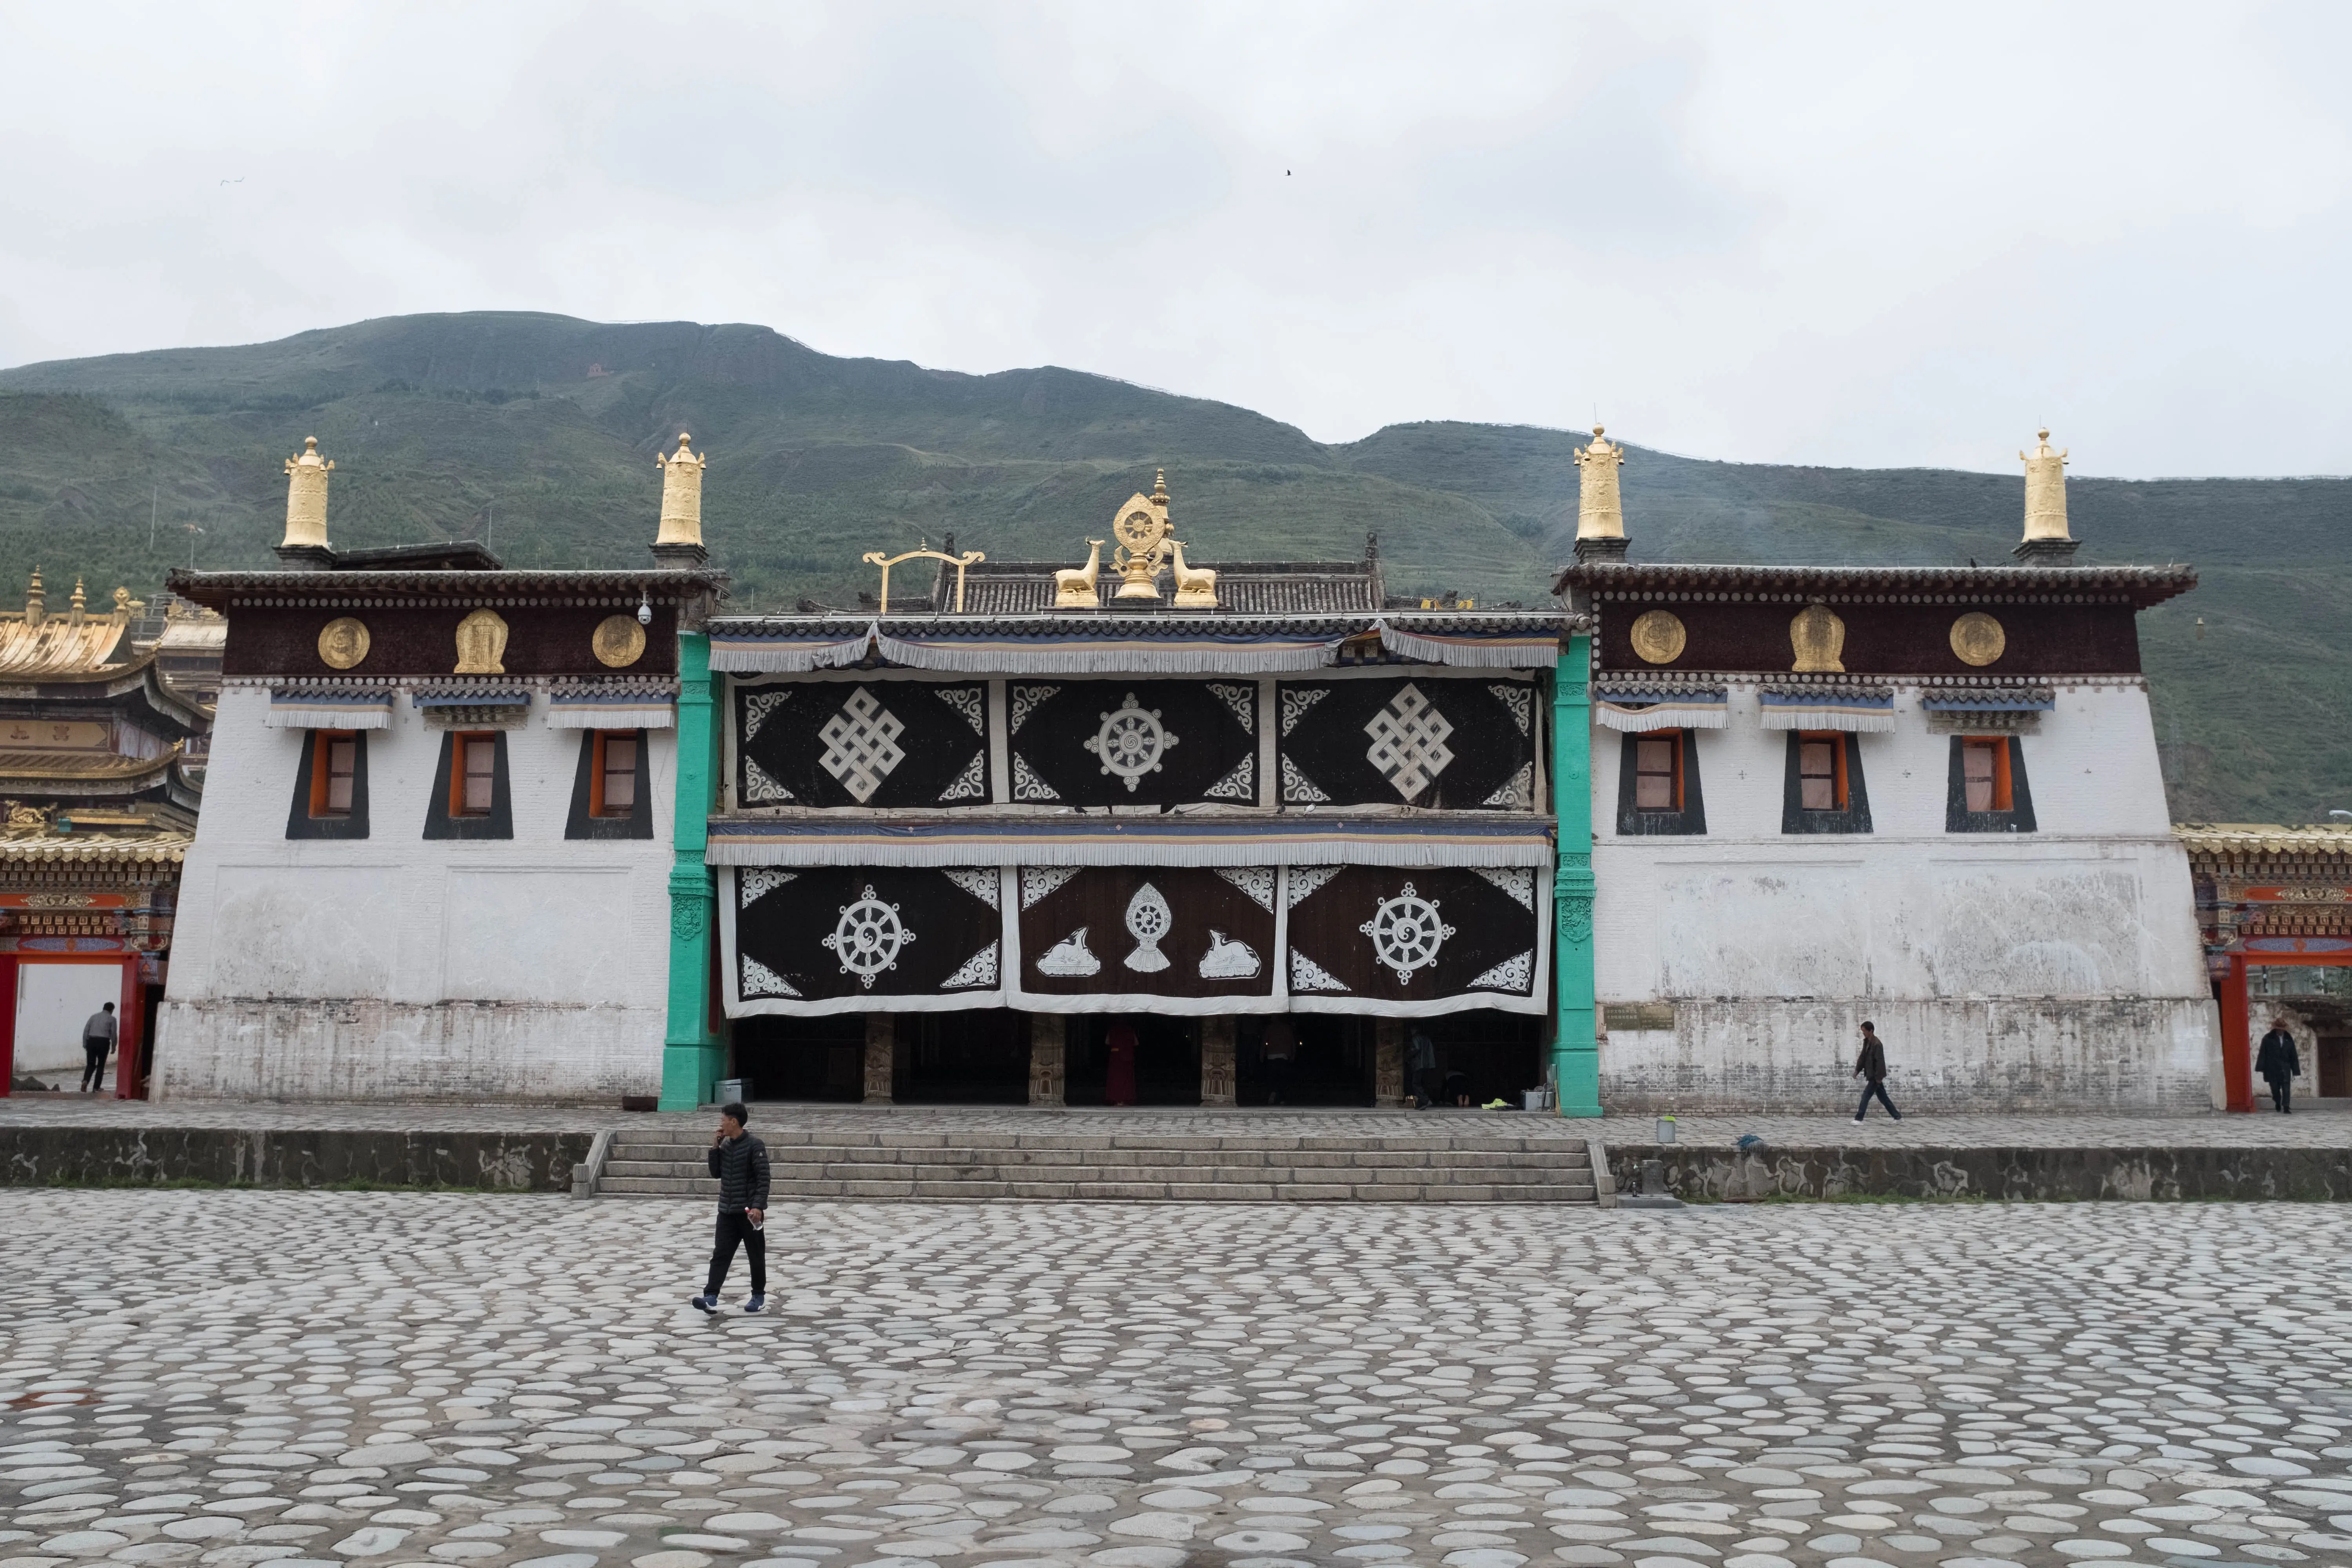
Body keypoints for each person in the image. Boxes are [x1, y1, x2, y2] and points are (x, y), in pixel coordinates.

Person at [691, 1102, 769, 1315]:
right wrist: (715, 1148)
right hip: (726, 1211)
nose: (721, 1124)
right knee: (721, 1254)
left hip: (749, 1214)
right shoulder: (725, 1146)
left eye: (723, 1120)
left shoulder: (755, 1145)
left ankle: (758, 1296)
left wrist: (758, 1207)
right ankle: (711, 1297)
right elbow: (716, 1173)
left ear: (733, 1121)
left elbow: (763, 1179)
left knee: (755, 1255)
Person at [1852, 1020, 1900, 1121]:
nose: (1863, 1033)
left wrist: (1879, 1078)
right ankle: (1898, 1117)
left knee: (1866, 1096)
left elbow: (1880, 1062)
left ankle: (1858, 1119)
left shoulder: (1877, 1044)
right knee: (1883, 1098)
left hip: (1875, 1076)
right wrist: (1857, 1070)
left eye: (1865, 1031)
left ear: (1871, 1031)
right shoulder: (1867, 1042)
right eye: (1862, 1031)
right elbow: (1863, 1057)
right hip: (1872, 1075)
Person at [2256, 1019, 2301, 1114]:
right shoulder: (2268, 1039)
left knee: (2286, 1088)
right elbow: (2263, 1053)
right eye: (2279, 1029)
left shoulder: (2289, 1039)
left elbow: (2293, 1055)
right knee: (2275, 1088)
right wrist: (2261, 1067)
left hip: (2285, 1067)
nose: (2281, 1031)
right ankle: (2277, 1101)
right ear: (2276, 1029)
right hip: (2272, 1068)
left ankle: (2286, 1107)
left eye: (2282, 1029)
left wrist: (2295, 1070)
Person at [80, 1002, 118, 1094]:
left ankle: (85, 1080)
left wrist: (85, 1043)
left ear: (103, 1008)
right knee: (101, 1065)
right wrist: (114, 1047)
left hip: (91, 1041)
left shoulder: (94, 1017)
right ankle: (96, 1088)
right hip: (103, 1042)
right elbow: (113, 1034)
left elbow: (86, 1030)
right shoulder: (112, 1019)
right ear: (112, 1010)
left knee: (90, 1064)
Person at [1259, 1018, 1296, 1105]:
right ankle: (1281, 1097)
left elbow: (1264, 1042)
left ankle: (1273, 1093)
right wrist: (1293, 1055)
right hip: (1284, 1056)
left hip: (1272, 1055)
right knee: (1282, 1078)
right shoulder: (1287, 1028)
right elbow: (1292, 1043)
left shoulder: (1270, 1028)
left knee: (1273, 1077)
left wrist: (1262, 1055)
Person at [1104, 1020, 1139, 1106]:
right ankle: (1125, 1100)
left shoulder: (1112, 1030)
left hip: (1115, 1057)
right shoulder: (1129, 1030)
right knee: (1126, 1079)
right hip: (1127, 1057)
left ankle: (1116, 1100)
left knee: (1115, 1079)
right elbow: (1136, 1043)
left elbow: (1107, 1042)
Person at [1407, 1028, 1439, 1110]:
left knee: (1416, 1084)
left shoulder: (1416, 1038)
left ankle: (1425, 1100)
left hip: (1418, 1064)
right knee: (1422, 1084)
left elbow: (1416, 1049)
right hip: (1427, 1065)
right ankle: (1420, 1104)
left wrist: (1408, 1055)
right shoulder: (1426, 1039)